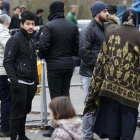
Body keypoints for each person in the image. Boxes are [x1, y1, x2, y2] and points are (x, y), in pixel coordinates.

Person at [84, 9, 139, 140]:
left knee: (112, 125)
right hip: (130, 91)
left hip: (110, 88)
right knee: (127, 124)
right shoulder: (138, 36)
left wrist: (96, 86)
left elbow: (101, 61)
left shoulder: (112, 34)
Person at [38, 1, 79, 137]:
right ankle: (67, 125)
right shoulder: (72, 26)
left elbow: (43, 46)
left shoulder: (48, 26)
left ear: (52, 11)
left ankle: (55, 127)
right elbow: (77, 48)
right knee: (65, 95)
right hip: (68, 64)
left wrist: (43, 56)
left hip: (54, 66)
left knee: (55, 97)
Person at [3, 10, 38, 140]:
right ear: (21, 24)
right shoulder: (14, 40)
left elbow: (33, 62)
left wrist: (36, 81)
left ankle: (21, 136)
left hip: (30, 82)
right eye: (28, 24)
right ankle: (13, 137)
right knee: (16, 113)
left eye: (32, 24)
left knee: (25, 111)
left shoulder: (32, 39)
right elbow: (8, 62)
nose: (30, 26)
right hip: (19, 81)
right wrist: (14, 81)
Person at [78, 1, 109, 140]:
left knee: (98, 106)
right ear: (97, 13)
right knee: (89, 106)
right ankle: (86, 136)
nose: (107, 13)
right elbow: (84, 52)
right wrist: (98, 68)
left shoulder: (103, 28)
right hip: (89, 74)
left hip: (99, 74)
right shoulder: (88, 29)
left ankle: (93, 135)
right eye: (105, 11)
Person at [0, 14, 11, 137]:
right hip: (2, 72)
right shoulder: (3, 32)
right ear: (6, 23)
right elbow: (10, 46)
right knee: (6, 100)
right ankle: (5, 128)